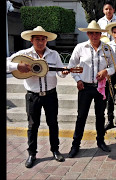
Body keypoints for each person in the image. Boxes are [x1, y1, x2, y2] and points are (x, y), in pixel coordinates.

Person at [6, 26, 69, 168]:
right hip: (32, 95)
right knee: (32, 125)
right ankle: (32, 153)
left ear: (46, 40)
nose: (41, 42)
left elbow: (59, 72)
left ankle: (55, 150)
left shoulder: (54, 55)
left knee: (53, 123)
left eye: (43, 39)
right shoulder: (24, 54)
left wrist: (64, 72)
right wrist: (17, 66)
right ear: (31, 40)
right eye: (37, 39)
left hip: (51, 95)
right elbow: (6, 64)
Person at [67, 20, 115, 158]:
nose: (94, 35)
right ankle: (75, 145)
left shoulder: (107, 48)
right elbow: (72, 66)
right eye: (92, 33)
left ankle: (100, 141)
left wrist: (106, 71)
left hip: (101, 88)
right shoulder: (80, 47)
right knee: (81, 116)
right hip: (85, 87)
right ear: (88, 34)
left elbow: (113, 66)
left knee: (100, 116)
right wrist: (78, 80)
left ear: (100, 34)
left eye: (97, 33)